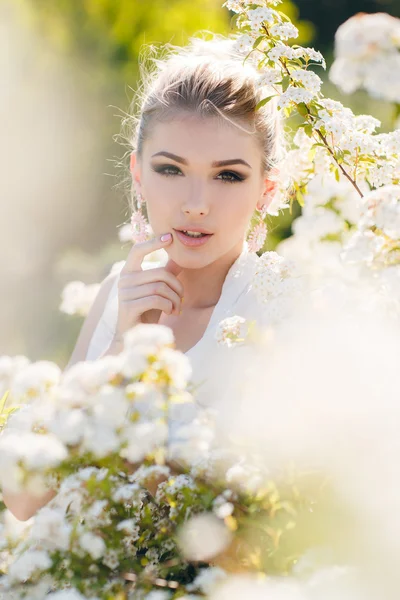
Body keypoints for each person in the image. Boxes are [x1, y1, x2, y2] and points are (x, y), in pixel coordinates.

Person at [3, 33, 290, 521]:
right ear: (138, 174)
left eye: (228, 176)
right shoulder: (118, 294)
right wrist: (121, 347)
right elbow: (26, 497)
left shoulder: (281, 311)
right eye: (171, 169)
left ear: (266, 189)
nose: (196, 203)